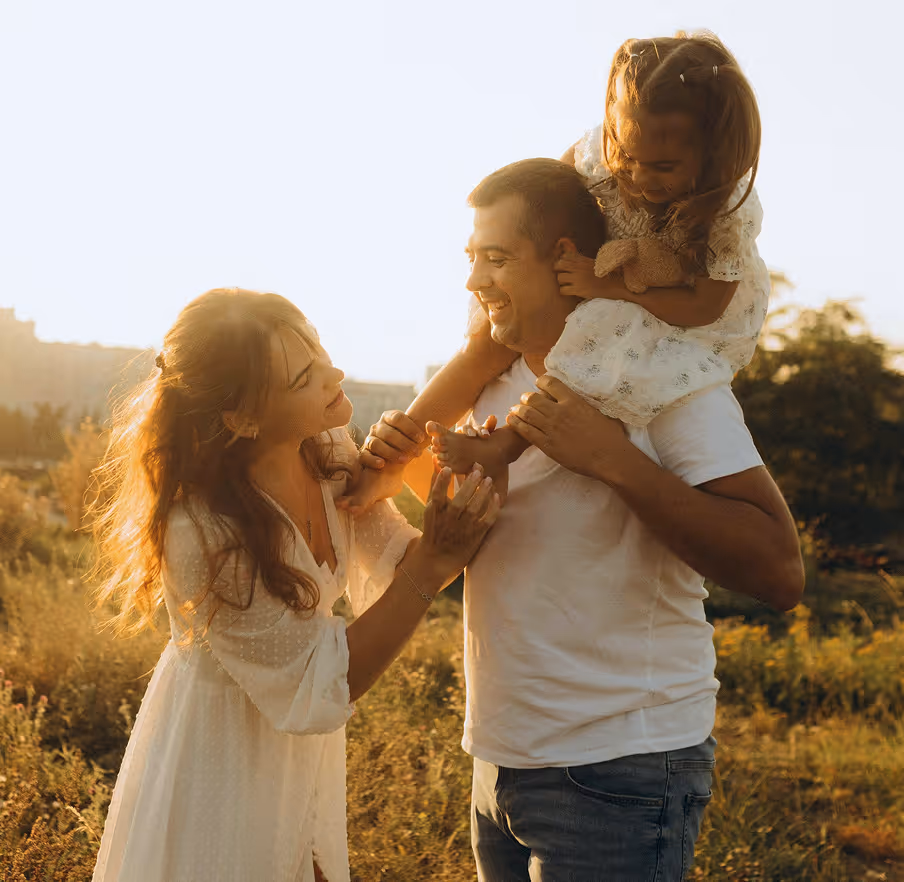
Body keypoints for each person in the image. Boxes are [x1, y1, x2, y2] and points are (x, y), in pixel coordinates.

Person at [355, 159, 804, 880]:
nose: (476, 281)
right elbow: (503, 536)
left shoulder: (661, 378)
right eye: (472, 259)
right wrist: (408, 458)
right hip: (499, 759)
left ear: (565, 258)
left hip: (622, 769)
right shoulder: (488, 385)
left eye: (497, 258)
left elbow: (780, 569)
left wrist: (614, 460)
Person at [88, 288, 501, 882]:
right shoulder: (201, 530)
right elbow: (327, 681)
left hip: (297, 753)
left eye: (319, 349)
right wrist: (432, 564)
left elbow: (405, 559)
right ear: (242, 417)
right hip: (220, 760)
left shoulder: (323, 446)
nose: (333, 372)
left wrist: (434, 473)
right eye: (304, 376)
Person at [342, 31, 770, 508]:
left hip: (676, 302)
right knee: (485, 342)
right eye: (626, 156)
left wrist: (606, 286)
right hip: (599, 265)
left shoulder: (727, 214)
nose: (641, 178)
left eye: (664, 166)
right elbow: (550, 195)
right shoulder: (594, 151)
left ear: (713, 154)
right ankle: (398, 452)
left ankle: (506, 445)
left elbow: (706, 307)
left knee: (599, 346)